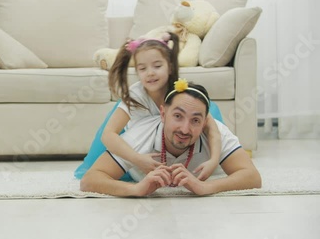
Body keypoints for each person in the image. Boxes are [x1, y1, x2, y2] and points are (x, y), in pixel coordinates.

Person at [74, 32, 224, 182]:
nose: (150, 73)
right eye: (142, 69)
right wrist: (137, 159)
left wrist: (214, 160)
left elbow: (212, 129)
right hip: (141, 149)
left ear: (170, 67)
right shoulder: (135, 96)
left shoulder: (180, 93)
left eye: (157, 66)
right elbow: (108, 135)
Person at [80, 80, 262, 196]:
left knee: (203, 109)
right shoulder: (138, 137)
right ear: (163, 114)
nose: (185, 129)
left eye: (195, 121)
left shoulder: (216, 132)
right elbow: (90, 179)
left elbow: (252, 177)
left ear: (205, 122)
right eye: (177, 116)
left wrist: (205, 187)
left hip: (207, 116)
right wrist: (134, 189)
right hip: (138, 124)